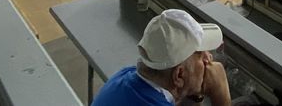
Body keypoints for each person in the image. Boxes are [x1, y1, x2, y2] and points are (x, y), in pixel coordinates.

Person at [92, 9, 229, 106]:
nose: (209, 57)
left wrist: (194, 93)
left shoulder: (124, 76)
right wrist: (220, 92)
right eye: (200, 55)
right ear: (179, 75)